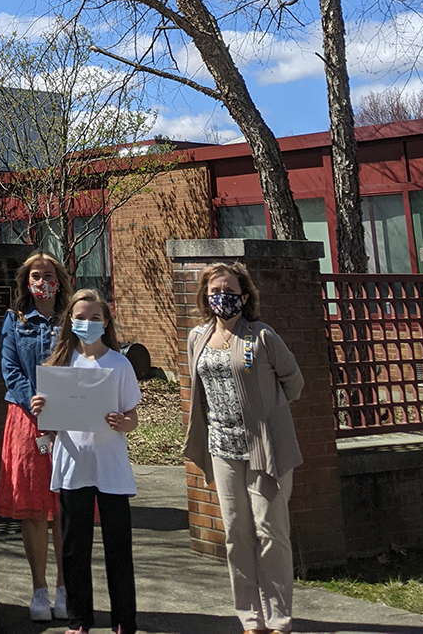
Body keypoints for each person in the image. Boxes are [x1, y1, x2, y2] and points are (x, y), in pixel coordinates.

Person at [183, 262, 304, 634]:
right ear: (206, 296)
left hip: (264, 449)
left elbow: (294, 383)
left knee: (270, 531)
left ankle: (278, 619)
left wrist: (266, 413)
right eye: (214, 291)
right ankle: (250, 618)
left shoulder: (262, 336)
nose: (222, 297)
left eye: (229, 291)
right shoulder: (197, 337)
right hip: (222, 448)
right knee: (236, 533)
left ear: (245, 296)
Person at [31, 288, 139, 634]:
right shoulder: (60, 364)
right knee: (74, 548)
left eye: (95, 318)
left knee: (117, 546)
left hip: (110, 465)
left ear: (106, 322)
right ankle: (80, 620)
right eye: (80, 317)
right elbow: (49, 418)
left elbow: (132, 415)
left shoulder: (119, 364)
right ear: (70, 321)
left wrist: (125, 423)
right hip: (73, 464)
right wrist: (40, 410)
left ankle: (124, 619)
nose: (87, 323)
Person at [0, 251, 72, 621]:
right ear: (27, 282)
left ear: (59, 280)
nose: (42, 282)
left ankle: (64, 587)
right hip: (27, 420)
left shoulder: (73, 320)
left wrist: (66, 407)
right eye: (35, 276)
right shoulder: (15, 320)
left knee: (63, 507)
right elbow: (10, 370)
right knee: (33, 508)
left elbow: (85, 364)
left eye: (48, 275)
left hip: (69, 421)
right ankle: (39, 588)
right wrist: (36, 404)